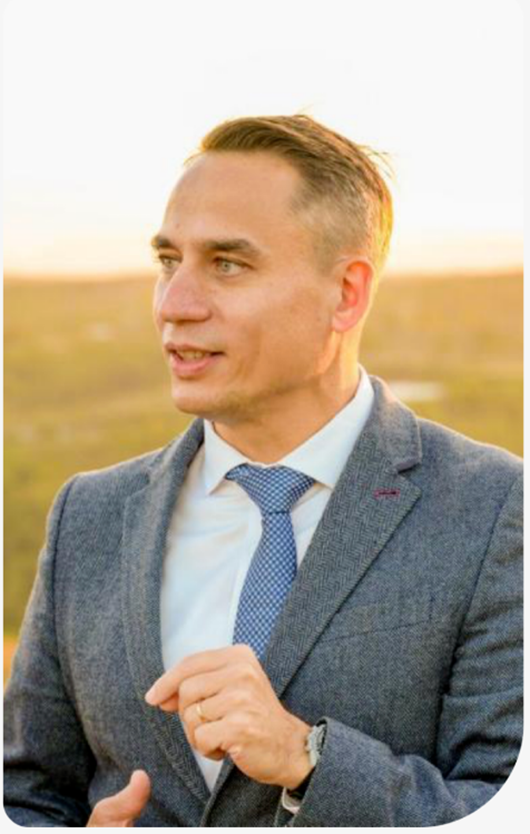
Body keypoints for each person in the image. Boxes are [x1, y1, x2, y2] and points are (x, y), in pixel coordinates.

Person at [4, 115, 522, 828]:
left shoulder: (495, 508)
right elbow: (25, 793)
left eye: (227, 264)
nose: (174, 305)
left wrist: (309, 760)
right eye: (168, 261)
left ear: (346, 293)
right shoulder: (86, 515)